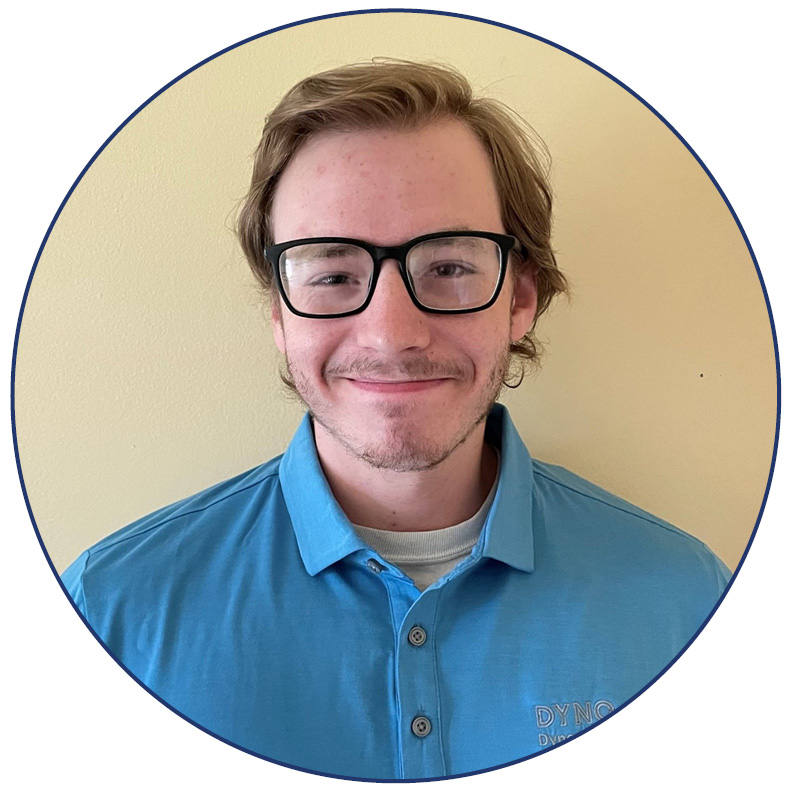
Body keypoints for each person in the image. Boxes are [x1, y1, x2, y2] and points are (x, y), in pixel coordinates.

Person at [61, 60, 730, 780]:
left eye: (449, 268)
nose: (391, 334)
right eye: (332, 274)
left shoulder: (689, 607)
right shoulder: (109, 616)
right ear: (278, 312)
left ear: (520, 299)